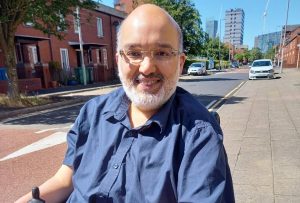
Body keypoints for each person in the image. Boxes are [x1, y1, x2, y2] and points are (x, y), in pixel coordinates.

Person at [16, 4, 234, 203]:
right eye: (134, 53)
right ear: (119, 60)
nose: (147, 67)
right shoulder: (93, 113)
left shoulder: (199, 135)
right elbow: (65, 181)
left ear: (180, 62)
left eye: (162, 53)